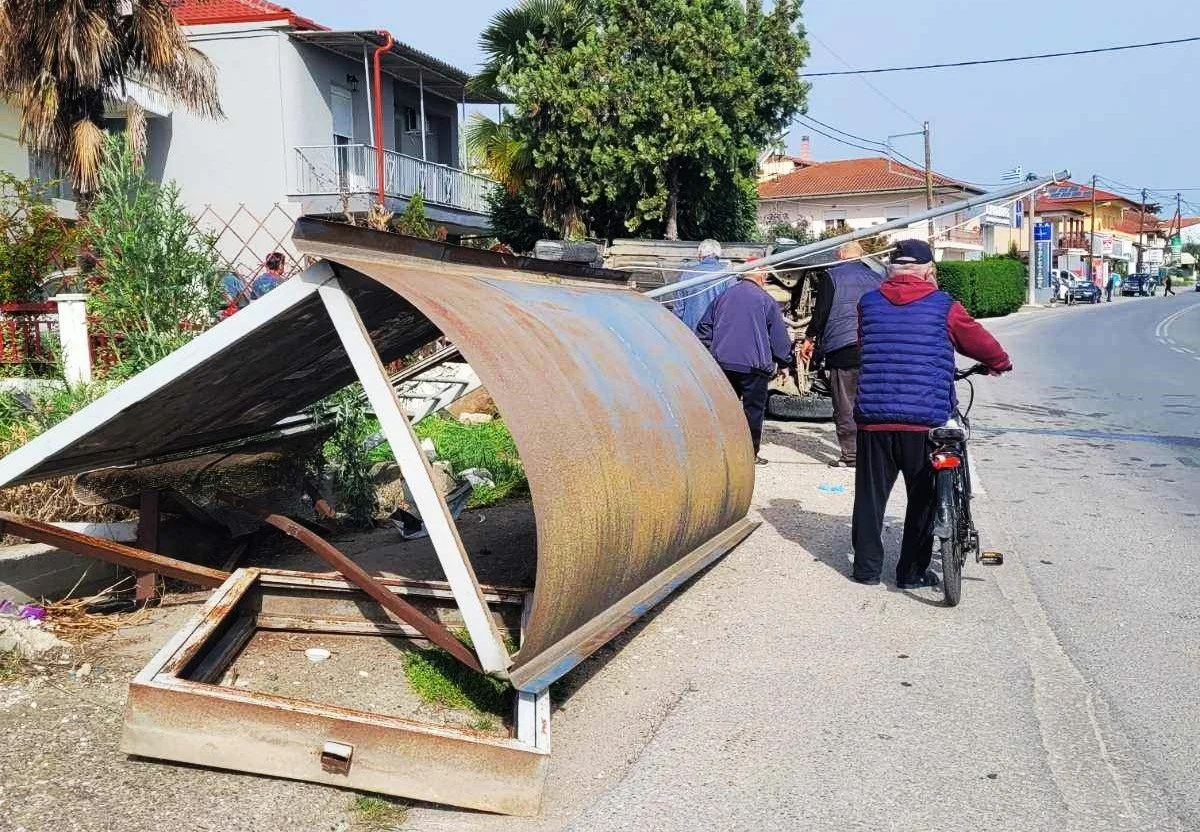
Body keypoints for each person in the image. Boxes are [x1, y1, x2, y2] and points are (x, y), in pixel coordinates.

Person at [851, 240, 1012, 589]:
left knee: (869, 496)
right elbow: (977, 341)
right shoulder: (944, 305)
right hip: (924, 419)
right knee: (924, 498)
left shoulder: (868, 303)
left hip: (874, 418)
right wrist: (999, 362)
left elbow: (865, 346)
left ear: (890, 271)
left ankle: (865, 570)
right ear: (928, 272)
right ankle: (910, 573)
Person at [697, 260, 797, 465]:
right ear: (762, 276)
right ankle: (749, 454)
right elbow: (779, 337)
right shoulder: (766, 300)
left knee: (724, 410)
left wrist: (711, 353)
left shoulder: (723, 296)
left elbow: (704, 328)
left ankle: (722, 453)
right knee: (753, 411)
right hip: (754, 366)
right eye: (766, 275)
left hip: (723, 365)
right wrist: (785, 363)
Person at [800, 242, 882, 468]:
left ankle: (851, 455)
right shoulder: (877, 278)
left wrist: (810, 338)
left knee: (845, 402)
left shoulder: (832, 276)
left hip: (842, 347)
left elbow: (821, 311)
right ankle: (873, 453)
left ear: (841, 255)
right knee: (870, 401)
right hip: (873, 348)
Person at [671, 240, 731, 332]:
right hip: (716, 332)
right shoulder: (728, 276)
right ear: (719, 255)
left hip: (691, 332)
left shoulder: (687, 275)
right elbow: (731, 309)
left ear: (700, 255)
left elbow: (678, 310)